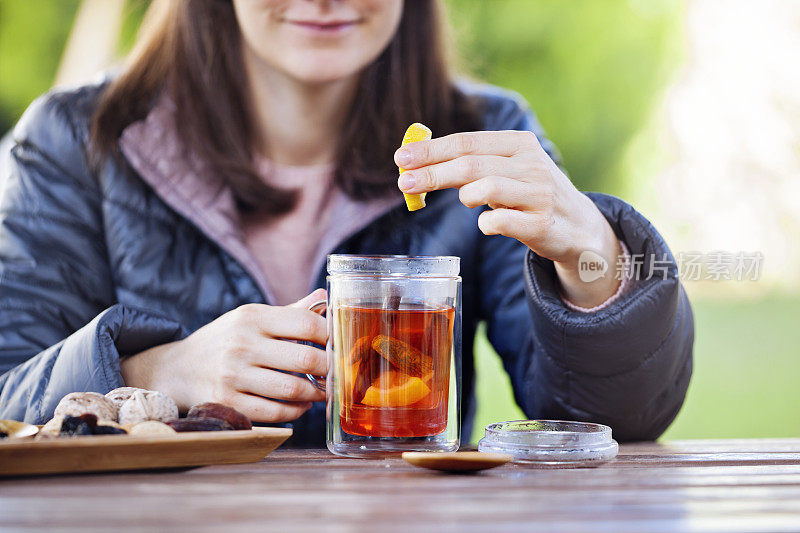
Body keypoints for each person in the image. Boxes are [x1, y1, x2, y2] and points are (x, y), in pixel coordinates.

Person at [0, 0, 692, 444]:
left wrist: (596, 259)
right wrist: (157, 372)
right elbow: (7, 390)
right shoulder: (73, 143)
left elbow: (619, 422)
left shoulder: (486, 135)